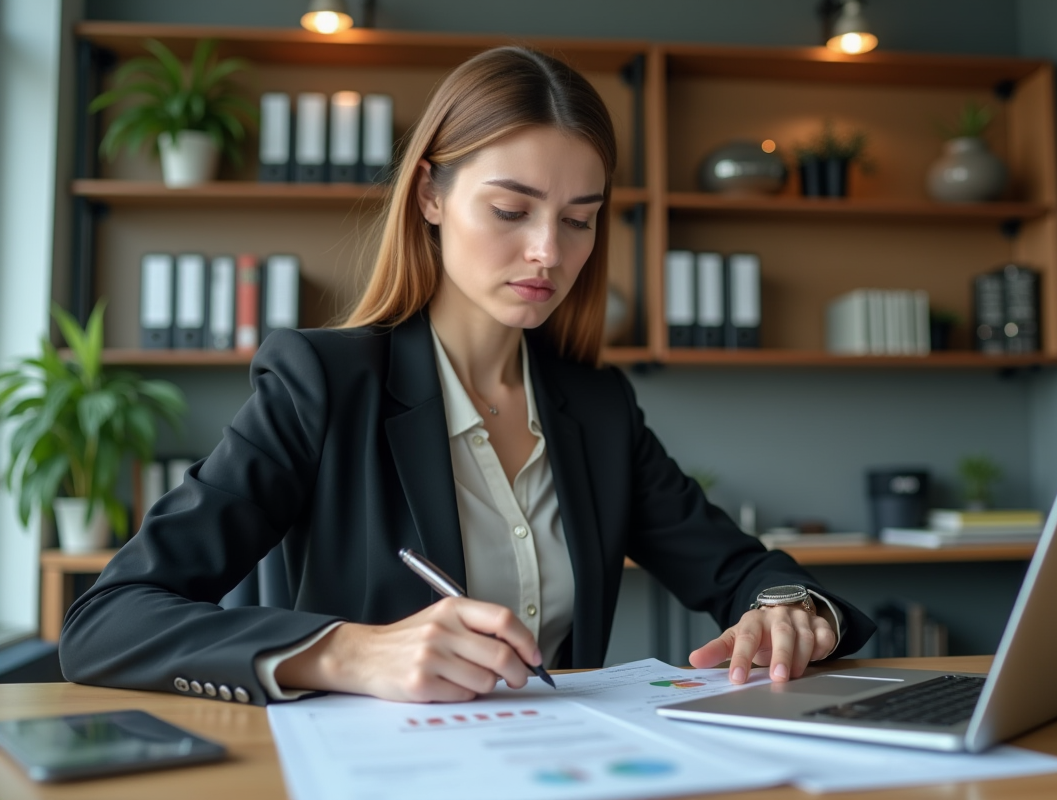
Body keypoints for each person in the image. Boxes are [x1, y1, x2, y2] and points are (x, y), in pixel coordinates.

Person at [59, 46, 874, 706]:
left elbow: (740, 570)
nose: (550, 252)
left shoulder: (596, 408)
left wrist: (787, 611)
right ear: (431, 197)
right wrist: (349, 652)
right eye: (512, 210)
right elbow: (107, 621)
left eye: (580, 219)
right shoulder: (324, 382)